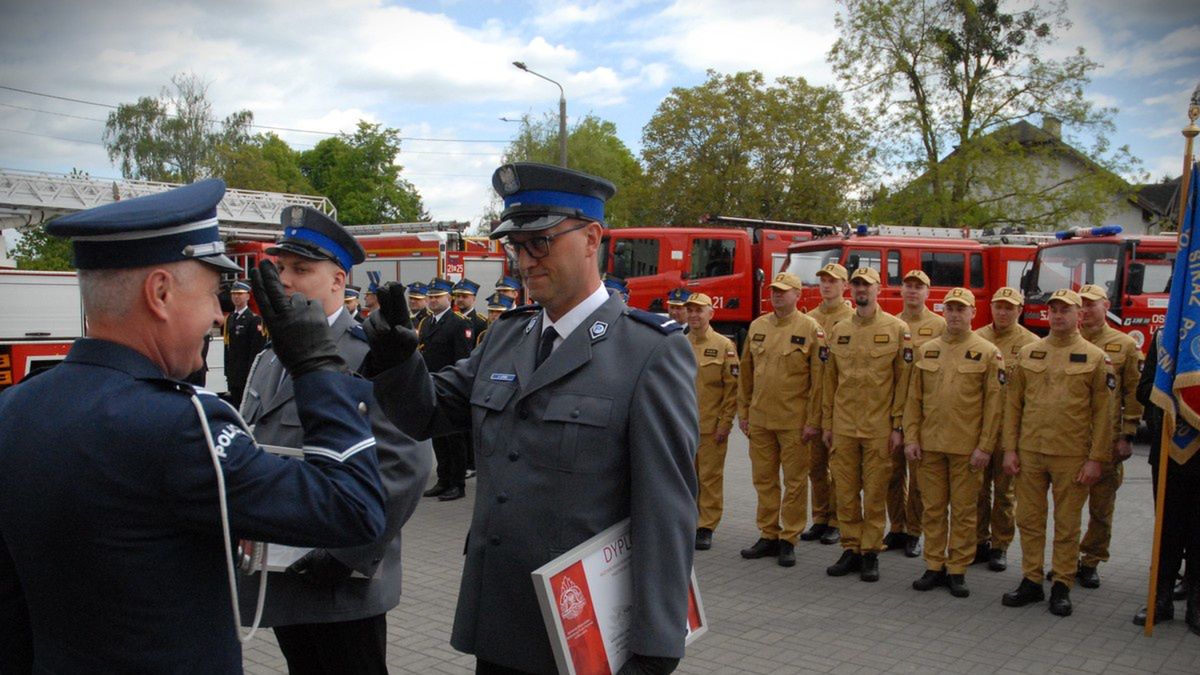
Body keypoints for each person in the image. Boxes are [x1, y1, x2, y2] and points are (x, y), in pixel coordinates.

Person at [0, 180, 386, 672]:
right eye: (210, 294)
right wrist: (317, 369)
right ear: (160, 293)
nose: (218, 315)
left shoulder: (15, 407)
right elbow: (353, 508)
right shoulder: (182, 427)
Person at [365, 162, 698, 674]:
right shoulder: (507, 335)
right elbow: (426, 412)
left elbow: (666, 509)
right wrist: (396, 360)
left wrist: (657, 642)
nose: (524, 260)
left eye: (540, 242)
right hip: (501, 613)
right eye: (515, 246)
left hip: (586, 626)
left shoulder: (649, 351)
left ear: (591, 239)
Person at [237, 206, 431, 673]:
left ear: (338, 280)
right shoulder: (270, 356)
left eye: (301, 269)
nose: (285, 280)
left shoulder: (368, 352)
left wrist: (345, 556)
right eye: (282, 267)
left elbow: (407, 464)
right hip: (281, 570)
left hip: (342, 580)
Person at [1001, 288, 1113, 617]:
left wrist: (1096, 458)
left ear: (1080, 315)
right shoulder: (1029, 353)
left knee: (1066, 524)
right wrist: (1009, 449)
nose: (1059, 316)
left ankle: (1062, 583)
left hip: (1072, 455)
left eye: (1066, 310)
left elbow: (1104, 415)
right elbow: (1013, 406)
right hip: (1031, 451)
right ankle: (1031, 579)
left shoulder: (1095, 358)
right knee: (1029, 520)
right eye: (1054, 310)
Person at [903, 288, 1003, 598]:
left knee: (963, 512)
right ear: (943, 312)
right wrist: (911, 437)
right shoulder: (927, 350)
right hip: (930, 446)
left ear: (973, 312)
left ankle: (957, 568)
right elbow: (913, 400)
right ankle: (934, 565)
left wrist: (985, 446)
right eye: (950, 309)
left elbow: (994, 406)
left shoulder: (987, 352)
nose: (955, 315)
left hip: (966, 449)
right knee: (932, 509)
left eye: (962, 309)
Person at [823, 267, 912, 582]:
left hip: (878, 427)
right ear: (851, 289)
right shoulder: (839, 329)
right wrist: (827, 423)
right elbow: (829, 381)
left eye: (867, 285)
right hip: (844, 425)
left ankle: (871, 552)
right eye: (857, 285)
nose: (862, 290)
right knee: (845, 492)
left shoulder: (897, 329)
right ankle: (850, 547)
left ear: (879, 289)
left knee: (875, 493)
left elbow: (903, 382)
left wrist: (898, 426)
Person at [737, 272, 824, 567]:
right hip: (761, 419)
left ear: (797, 295)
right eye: (774, 290)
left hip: (794, 422)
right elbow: (746, 374)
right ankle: (768, 534)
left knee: (795, 482)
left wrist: (813, 420)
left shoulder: (810, 328)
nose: (777, 294)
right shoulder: (758, 326)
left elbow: (819, 381)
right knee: (764, 480)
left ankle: (789, 537)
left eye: (784, 291)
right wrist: (744, 413)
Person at [1075, 283, 1143, 589]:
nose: (1086, 310)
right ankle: (1066, 560)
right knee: (1067, 508)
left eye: (1092, 304)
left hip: (1107, 440)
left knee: (1101, 507)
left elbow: (1134, 393)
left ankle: (1091, 560)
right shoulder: (1066, 341)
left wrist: (1128, 434)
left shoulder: (1124, 345)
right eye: (1081, 305)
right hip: (1071, 438)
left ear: (1106, 306)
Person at [1133, 328, 1200, 630]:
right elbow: (1143, 389)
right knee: (1167, 530)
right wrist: (1172, 394)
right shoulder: (1167, 336)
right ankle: (1161, 599)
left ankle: (1196, 602)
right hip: (1168, 452)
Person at [974, 287, 1038, 572]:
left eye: (1009, 308)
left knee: (1004, 493)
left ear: (1020, 311)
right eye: (998, 306)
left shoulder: (1031, 344)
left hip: (1009, 432)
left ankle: (1000, 545)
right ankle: (979, 541)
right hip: (978, 428)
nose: (1003, 312)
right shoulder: (977, 338)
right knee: (976, 491)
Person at [887, 269, 946, 558]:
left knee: (920, 478)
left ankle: (914, 530)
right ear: (901, 290)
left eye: (918, 287)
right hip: (891, 408)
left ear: (927, 292)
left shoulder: (939, 326)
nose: (912, 291)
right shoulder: (891, 324)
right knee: (892, 473)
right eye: (908, 286)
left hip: (923, 411)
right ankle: (896, 527)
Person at [801, 262, 854, 546]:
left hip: (840, 403)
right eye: (823, 280)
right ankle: (820, 518)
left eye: (833, 281)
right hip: (813, 403)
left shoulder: (852, 319)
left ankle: (837, 520)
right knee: (815, 466)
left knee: (840, 468)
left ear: (845, 285)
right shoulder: (810, 318)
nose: (826, 285)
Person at [685, 292, 739, 551]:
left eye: (699, 310)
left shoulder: (724, 346)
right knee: (686, 479)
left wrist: (725, 423)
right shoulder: (679, 343)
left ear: (711, 313)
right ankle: (688, 522)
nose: (694, 315)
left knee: (709, 479)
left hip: (710, 427)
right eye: (690, 310)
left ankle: (706, 526)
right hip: (684, 427)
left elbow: (732, 389)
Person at [416, 277, 474, 500]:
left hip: (451, 387)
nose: (432, 300)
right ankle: (443, 480)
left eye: (437, 297)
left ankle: (457, 484)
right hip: (432, 384)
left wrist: (458, 386)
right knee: (438, 437)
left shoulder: (458, 323)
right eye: (430, 297)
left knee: (454, 439)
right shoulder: (426, 323)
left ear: (449, 298)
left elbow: (463, 359)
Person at [223, 280, 265, 406]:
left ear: (247, 296)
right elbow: (228, 346)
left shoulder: (253, 319)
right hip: (233, 372)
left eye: (240, 294)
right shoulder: (230, 318)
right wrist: (227, 371)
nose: (236, 297)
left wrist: (251, 373)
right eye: (234, 294)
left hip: (245, 371)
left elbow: (256, 349)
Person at [453, 278, 489, 347]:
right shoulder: (451, 319)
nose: (460, 299)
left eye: (464, 296)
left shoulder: (481, 323)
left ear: (474, 298)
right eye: (458, 296)